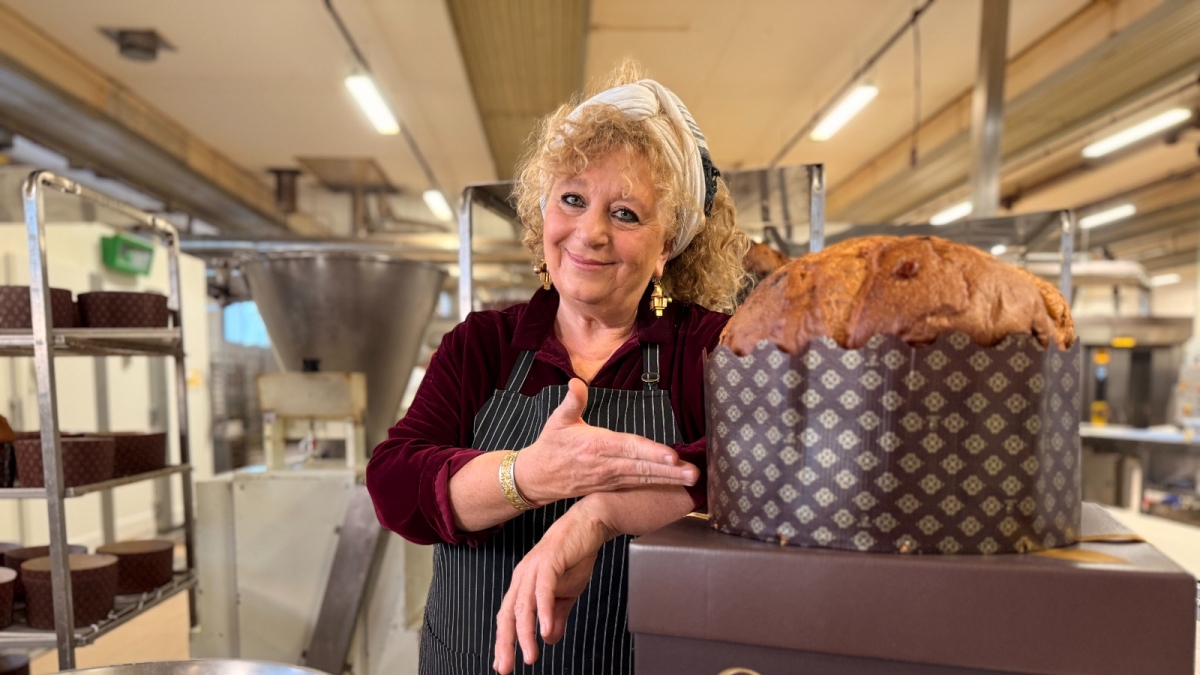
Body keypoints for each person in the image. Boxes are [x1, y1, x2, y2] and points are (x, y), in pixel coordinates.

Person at [366, 63, 749, 675]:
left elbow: (758, 470)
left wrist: (598, 513)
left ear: (667, 243)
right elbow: (393, 484)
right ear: (543, 211)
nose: (589, 232)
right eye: (572, 199)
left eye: (625, 213)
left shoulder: (705, 347)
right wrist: (532, 475)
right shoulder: (482, 346)